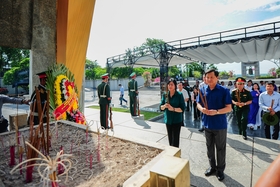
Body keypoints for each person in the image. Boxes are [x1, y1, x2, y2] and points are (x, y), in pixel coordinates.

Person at [196, 69, 232, 181]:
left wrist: (216, 111)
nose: (209, 79)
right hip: (207, 124)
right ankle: (212, 167)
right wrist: (202, 109)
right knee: (209, 147)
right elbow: (198, 103)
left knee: (220, 148)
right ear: (205, 78)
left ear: (217, 78)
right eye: (207, 77)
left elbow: (229, 108)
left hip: (220, 125)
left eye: (212, 77)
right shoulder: (202, 90)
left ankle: (220, 170)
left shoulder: (224, 90)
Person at [160, 78, 185, 148]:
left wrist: (173, 109)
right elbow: (160, 107)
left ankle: (176, 156)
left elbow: (182, 108)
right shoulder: (165, 95)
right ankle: (171, 156)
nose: (170, 86)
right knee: (170, 140)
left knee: (175, 141)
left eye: (171, 84)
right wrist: (164, 106)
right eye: (169, 84)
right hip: (168, 120)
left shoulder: (179, 95)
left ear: (175, 86)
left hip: (177, 121)